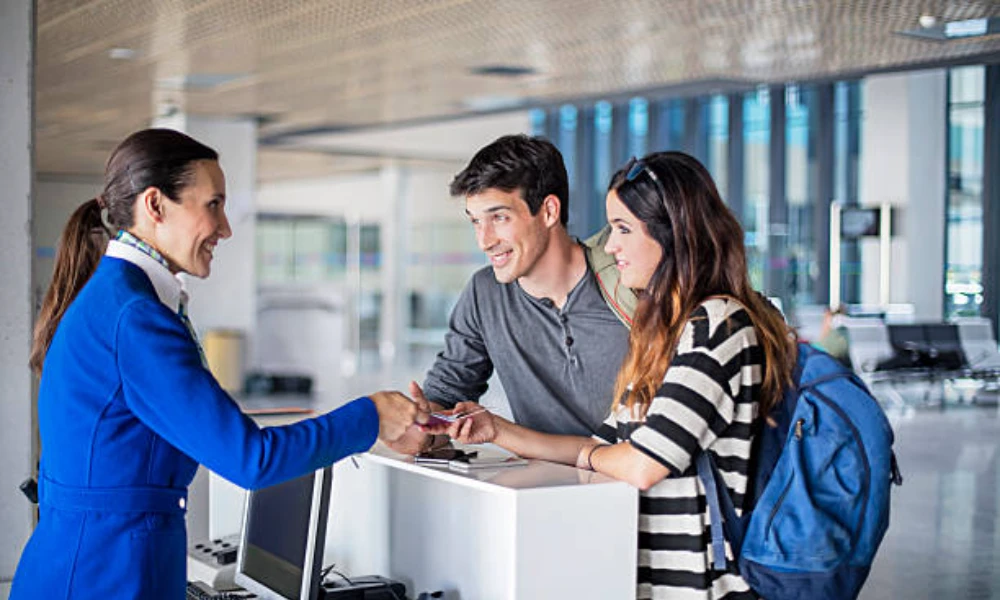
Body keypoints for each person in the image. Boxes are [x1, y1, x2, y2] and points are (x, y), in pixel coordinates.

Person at [11, 129, 428, 600]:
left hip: (90, 566)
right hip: (105, 576)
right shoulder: (135, 318)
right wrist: (371, 416)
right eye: (213, 204)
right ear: (155, 205)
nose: (226, 227)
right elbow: (250, 459)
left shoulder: (116, 300)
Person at [426, 151, 797, 599]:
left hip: (702, 587)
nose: (611, 245)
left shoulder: (716, 326)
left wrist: (605, 455)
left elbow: (641, 464)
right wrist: (495, 430)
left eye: (623, 229)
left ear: (672, 232)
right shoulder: (661, 335)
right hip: (633, 571)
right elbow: (604, 448)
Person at [390, 134, 637, 454]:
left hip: (643, 490)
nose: (484, 240)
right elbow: (446, 397)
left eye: (499, 218)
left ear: (549, 211)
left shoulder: (628, 280)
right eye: (476, 221)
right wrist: (421, 426)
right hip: (545, 494)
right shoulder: (484, 294)